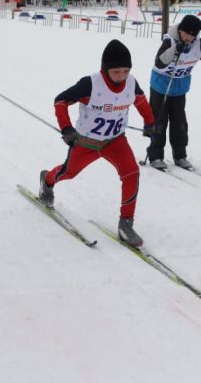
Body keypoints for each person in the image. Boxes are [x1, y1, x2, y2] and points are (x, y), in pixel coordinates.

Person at [39, 39, 155, 247]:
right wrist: (66, 128)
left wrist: (150, 122)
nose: (121, 76)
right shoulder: (90, 84)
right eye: (116, 72)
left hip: (115, 140)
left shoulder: (131, 82)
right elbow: (60, 101)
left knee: (132, 173)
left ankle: (125, 224)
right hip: (86, 143)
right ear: (105, 69)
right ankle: (47, 181)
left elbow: (140, 101)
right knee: (69, 173)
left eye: (125, 71)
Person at [146, 14, 201, 171]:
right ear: (181, 30)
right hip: (161, 87)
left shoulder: (196, 43)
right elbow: (159, 62)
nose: (190, 38)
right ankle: (156, 155)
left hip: (180, 88)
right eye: (187, 34)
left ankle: (180, 155)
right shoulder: (170, 40)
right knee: (159, 121)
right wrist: (175, 50)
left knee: (179, 123)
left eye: (193, 35)